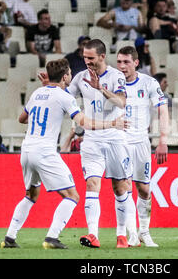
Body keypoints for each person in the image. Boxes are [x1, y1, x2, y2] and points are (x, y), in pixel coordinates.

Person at [1, 58, 128, 249]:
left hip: (26, 150)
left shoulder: (37, 93)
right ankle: (52, 237)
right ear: (64, 76)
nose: (70, 76)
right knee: (72, 196)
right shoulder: (64, 97)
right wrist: (112, 124)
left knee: (30, 195)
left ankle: (9, 238)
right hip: (45, 152)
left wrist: (45, 113)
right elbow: (84, 123)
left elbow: (22, 119)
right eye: (69, 73)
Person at [64, 39, 133, 249]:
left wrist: (101, 88)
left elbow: (121, 102)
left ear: (102, 56)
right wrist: (51, 87)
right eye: (85, 57)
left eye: (91, 58)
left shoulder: (116, 76)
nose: (87, 61)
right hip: (92, 138)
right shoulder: (80, 77)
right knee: (92, 184)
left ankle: (122, 235)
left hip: (114, 137)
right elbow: (65, 96)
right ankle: (93, 234)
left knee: (120, 188)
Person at [116, 46, 169, 247]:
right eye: (119, 61)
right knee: (125, 187)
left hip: (141, 142)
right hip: (120, 142)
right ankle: (130, 233)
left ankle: (144, 232)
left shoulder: (149, 83)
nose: (122, 66)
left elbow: (163, 110)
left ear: (136, 63)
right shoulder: (112, 82)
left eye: (126, 62)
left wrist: (163, 140)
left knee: (144, 189)